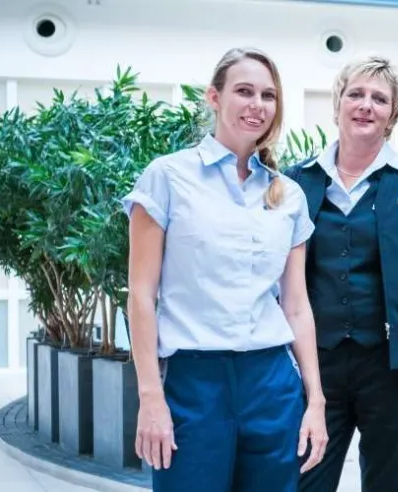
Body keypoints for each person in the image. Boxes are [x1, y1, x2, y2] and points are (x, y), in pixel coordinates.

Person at [123, 47, 328, 492]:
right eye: (244, 91)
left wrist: (316, 400)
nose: (258, 105)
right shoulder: (167, 177)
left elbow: (295, 305)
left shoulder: (288, 195)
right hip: (194, 383)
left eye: (269, 95)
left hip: (272, 383)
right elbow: (141, 296)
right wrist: (150, 397)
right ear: (213, 98)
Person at [286, 56, 398, 492]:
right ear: (338, 103)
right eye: (356, 94)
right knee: (305, 479)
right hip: (316, 365)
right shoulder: (297, 182)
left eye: (379, 99)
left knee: (388, 485)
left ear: (392, 114)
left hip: (395, 367)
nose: (366, 105)